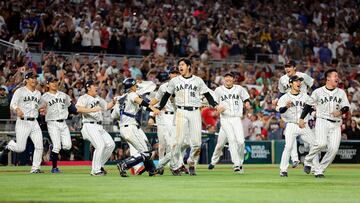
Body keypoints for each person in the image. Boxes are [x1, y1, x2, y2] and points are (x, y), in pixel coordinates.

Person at [158, 58, 222, 176]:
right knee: (178, 142)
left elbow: (207, 95)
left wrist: (215, 105)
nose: (180, 67)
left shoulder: (198, 80)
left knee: (197, 143)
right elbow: (166, 95)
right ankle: (164, 165)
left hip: (194, 112)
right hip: (181, 112)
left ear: (188, 66)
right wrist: (159, 107)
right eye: (179, 65)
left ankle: (191, 162)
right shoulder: (175, 81)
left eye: (182, 64)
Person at [299, 69, 350, 178]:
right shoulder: (318, 91)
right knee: (321, 143)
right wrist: (301, 118)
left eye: (337, 76)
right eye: (335, 76)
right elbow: (308, 105)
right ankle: (308, 161)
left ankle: (319, 169)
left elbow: (346, 107)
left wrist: (340, 112)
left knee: (334, 149)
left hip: (336, 124)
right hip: (322, 121)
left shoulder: (341, 92)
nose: (337, 78)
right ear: (328, 78)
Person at [115, 78, 160, 177]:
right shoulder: (132, 94)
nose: (136, 87)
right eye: (135, 85)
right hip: (131, 127)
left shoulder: (121, 98)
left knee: (147, 148)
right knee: (146, 152)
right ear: (131, 87)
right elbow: (139, 100)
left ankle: (151, 169)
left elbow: (114, 115)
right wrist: (152, 108)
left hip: (125, 127)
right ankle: (124, 164)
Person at [208, 71, 251, 173]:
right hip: (225, 119)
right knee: (230, 140)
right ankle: (235, 164)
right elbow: (213, 102)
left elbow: (246, 98)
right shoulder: (219, 90)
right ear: (224, 79)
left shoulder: (239, 89)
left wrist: (247, 104)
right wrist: (217, 108)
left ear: (233, 79)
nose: (228, 79)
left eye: (230, 77)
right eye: (226, 77)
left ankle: (240, 163)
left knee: (240, 142)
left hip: (236, 118)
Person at [148, 67, 188, 175]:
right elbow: (155, 102)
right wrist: (151, 116)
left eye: (176, 73)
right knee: (162, 145)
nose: (174, 75)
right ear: (169, 75)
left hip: (176, 117)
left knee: (175, 143)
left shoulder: (181, 87)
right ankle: (163, 166)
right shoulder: (163, 87)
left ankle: (175, 165)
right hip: (163, 117)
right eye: (172, 73)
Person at [1, 72, 44, 173]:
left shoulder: (38, 93)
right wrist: (17, 109)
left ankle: (35, 168)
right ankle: (10, 145)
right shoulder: (20, 91)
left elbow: (38, 105)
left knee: (39, 145)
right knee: (20, 148)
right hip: (23, 122)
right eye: (32, 78)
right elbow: (12, 104)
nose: (34, 80)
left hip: (34, 122)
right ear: (26, 80)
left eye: (35, 78)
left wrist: (41, 109)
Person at [276, 75, 318, 177]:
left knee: (315, 144)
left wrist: (314, 114)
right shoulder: (284, 97)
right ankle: (283, 170)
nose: (299, 83)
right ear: (291, 84)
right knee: (288, 147)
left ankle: (315, 167)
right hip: (291, 124)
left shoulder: (305, 96)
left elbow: (311, 109)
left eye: (300, 81)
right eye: (296, 81)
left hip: (304, 125)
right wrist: (286, 106)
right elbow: (280, 110)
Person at [76, 80, 116, 176]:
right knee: (100, 145)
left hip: (98, 126)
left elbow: (107, 106)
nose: (96, 87)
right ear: (88, 87)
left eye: (96, 85)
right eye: (94, 85)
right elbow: (78, 108)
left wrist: (114, 102)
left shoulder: (98, 98)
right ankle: (95, 170)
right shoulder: (84, 97)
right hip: (88, 125)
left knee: (111, 144)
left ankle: (99, 165)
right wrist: (91, 109)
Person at [40, 77, 73, 173]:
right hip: (52, 123)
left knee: (67, 146)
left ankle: (52, 148)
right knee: (57, 146)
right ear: (47, 84)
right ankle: (54, 168)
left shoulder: (63, 95)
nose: (54, 83)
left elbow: (71, 107)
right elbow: (39, 109)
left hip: (63, 123)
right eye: (51, 82)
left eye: (55, 81)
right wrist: (41, 110)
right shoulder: (44, 97)